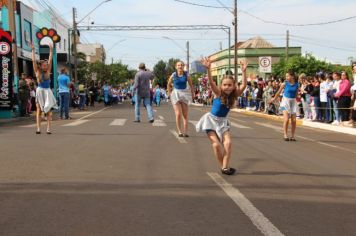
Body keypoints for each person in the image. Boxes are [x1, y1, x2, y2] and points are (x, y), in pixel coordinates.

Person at [196, 57, 247, 175]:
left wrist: (244, 72)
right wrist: (208, 69)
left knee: (228, 143)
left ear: (234, 86)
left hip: (223, 122)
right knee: (216, 145)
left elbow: (244, 85)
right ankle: (224, 166)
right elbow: (211, 82)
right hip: (210, 121)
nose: (227, 87)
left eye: (230, 85)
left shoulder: (235, 95)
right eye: (224, 85)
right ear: (221, 86)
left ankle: (224, 167)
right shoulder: (218, 93)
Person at [30, 42, 58, 134]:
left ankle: (48, 128)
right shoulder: (37, 71)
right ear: (41, 66)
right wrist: (33, 50)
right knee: (38, 110)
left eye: (46, 65)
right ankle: (38, 128)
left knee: (48, 110)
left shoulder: (48, 70)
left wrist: (51, 50)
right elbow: (33, 61)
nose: (46, 66)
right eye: (44, 65)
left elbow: (50, 60)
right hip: (40, 91)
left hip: (47, 91)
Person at [167, 61, 194, 137]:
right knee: (178, 114)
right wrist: (169, 93)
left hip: (184, 94)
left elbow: (191, 85)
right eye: (179, 65)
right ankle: (179, 131)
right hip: (176, 94)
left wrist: (193, 94)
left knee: (185, 115)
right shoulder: (174, 74)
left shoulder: (186, 74)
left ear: (183, 66)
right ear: (176, 67)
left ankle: (185, 132)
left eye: (182, 65)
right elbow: (168, 84)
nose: (180, 66)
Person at [270, 70, 299, 141]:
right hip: (285, 101)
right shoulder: (284, 84)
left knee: (294, 120)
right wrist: (273, 99)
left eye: (287, 76)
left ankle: (292, 136)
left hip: (293, 102)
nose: (286, 77)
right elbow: (278, 92)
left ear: (292, 76)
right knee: (286, 120)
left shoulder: (297, 84)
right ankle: (285, 135)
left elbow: (296, 94)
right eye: (286, 76)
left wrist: (296, 101)